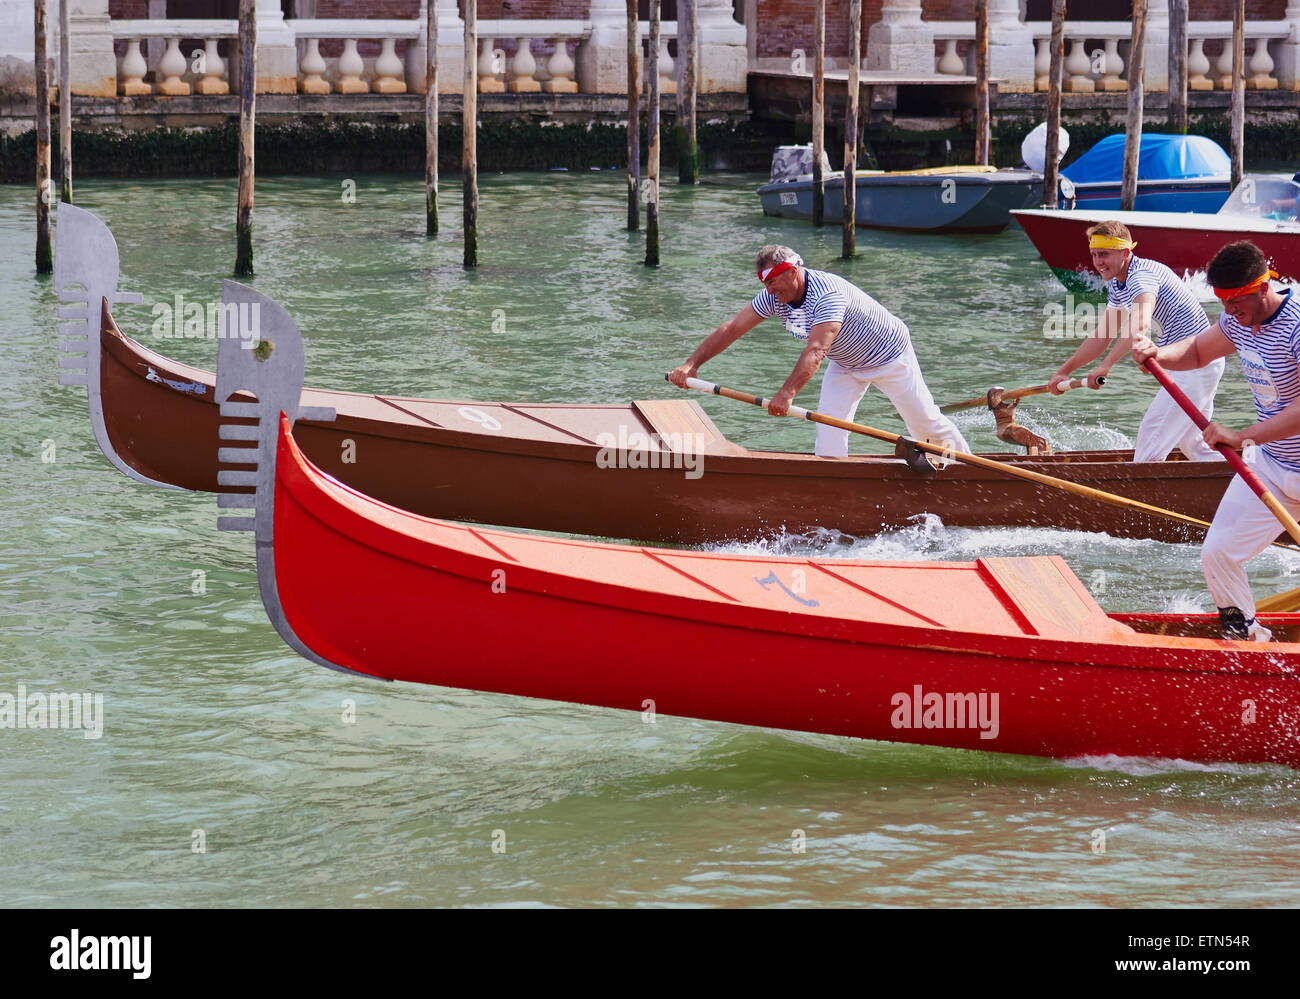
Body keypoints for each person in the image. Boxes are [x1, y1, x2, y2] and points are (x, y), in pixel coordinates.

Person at [1132, 240, 1300, 641]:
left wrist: (1242, 436)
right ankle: (1247, 639)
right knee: (1219, 553)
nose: (1228, 312)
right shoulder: (1237, 321)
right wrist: (1159, 353)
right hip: (1272, 466)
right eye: (1222, 302)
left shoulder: (1296, 326)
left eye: (1235, 301)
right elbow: (1197, 351)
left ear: (1263, 288)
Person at [667, 244, 968, 460]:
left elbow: (817, 350)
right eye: (764, 283)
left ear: (793, 272)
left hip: (889, 355)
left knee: (924, 424)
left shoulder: (827, 295)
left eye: (772, 282)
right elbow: (731, 329)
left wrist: (786, 394)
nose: (769, 290)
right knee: (828, 429)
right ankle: (833, 486)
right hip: (845, 362)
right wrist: (691, 364)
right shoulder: (774, 297)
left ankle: (969, 468)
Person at [1048, 220, 1224, 463]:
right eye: (1094, 255)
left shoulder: (1141, 277)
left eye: (1104, 255)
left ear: (1126, 253)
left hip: (1196, 363)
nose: (1098, 262)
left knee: (1150, 441)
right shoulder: (1119, 283)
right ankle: (1241, 483)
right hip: (1190, 363)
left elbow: (1138, 325)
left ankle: (1139, 498)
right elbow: (1102, 336)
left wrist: (1106, 365)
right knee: (1193, 446)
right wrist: (1063, 372)